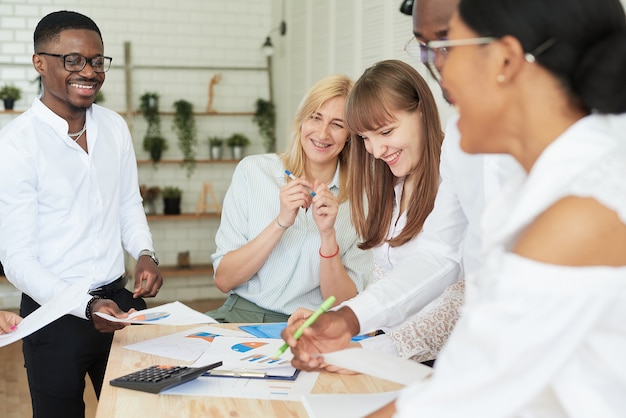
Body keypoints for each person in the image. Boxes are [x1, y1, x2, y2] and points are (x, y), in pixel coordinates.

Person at [371, 0, 626, 415]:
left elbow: (453, 401)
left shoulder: (579, 219)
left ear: (505, 58)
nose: (440, 76)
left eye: (448, 48)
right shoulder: (545, 186)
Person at [283, 0, 522, 367]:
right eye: (426, 48)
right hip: (468, 356)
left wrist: (365, 344)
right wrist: (349, 321)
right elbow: (438, 258)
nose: (437, 64)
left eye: (444, 43)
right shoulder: (458, 140)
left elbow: (458, 291)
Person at [0, 11, 163, 418]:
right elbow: (17, 260)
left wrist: (145, 252)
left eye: (97, 60)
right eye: (73, 60)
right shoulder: (16, 145)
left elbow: (128, 202)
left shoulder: (114, 127)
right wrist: (86, 306)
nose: (88, 71)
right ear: (40, 62)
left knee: (141, 411)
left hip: (121, 306)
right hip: (54, 316)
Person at [206, 74, 372, 323]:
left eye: (337, 124)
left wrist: (328, 235)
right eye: (315, 117)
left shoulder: (365, 201)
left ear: (351, 134)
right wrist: (281, 222)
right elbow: (224, 280)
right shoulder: (253, 171)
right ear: (302, 121)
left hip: (310, 325)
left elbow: (342, 304)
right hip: (239, 316)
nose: (323, 133)